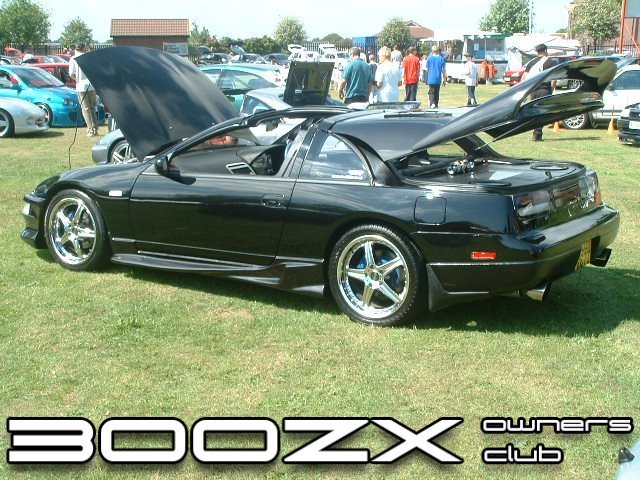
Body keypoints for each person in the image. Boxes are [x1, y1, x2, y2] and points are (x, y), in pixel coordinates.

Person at [521, 43, 556, 141]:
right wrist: (551, 89)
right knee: (542, 113)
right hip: (544, 89)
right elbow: (554, 79)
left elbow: (523, 78)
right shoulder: (550, 62)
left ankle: (536, 131)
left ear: (537, 51)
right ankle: (537, 134)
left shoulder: (532, 62)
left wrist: (525, 92)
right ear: (546, 50)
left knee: (535, 111)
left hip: (533, 90)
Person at [68, 43, 99, 136]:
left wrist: (76, 79)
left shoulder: (73, 59)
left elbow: (71, 73)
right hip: (91, 85)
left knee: (86, 109)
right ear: (83, 48)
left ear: (75, 49)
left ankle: (90, 129)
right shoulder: (88, 57)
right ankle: (95, 128)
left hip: (81, 86)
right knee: (92, 108)